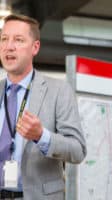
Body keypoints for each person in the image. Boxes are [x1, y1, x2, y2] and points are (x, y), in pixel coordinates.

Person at [0, 14, 87, 200]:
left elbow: (78, 150)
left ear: (35, 47)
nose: (9, 46)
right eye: (4, 39)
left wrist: (42, 136)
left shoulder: (59, 91)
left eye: (18, 40)